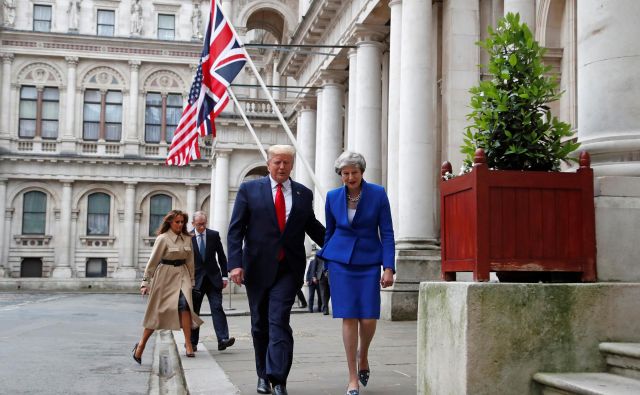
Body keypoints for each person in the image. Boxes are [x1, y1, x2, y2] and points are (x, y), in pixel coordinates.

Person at [227, 144, 325, 395]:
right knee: (260, 324)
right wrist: (235, 264)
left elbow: (313, 227)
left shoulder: (303, 194)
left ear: (292, 165)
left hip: (288, 269)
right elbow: (236, 229)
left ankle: (278, 378)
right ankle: (262, 376)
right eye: (277, 162)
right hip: (257, 269)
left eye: (286, 163)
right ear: (269, 163)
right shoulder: (250, 190)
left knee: (279, 320)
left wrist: (343, 246)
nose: (282, 167)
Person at [317, 151, 395, 395]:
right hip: (340, 262)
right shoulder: (331, 197)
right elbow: (329, 233)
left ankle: (364, 356)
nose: (350, 177)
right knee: (348, 317)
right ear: (340, 175)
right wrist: (327, 265)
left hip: (369, 260)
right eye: (345, 173)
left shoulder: (378, 194)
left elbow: (388, 232)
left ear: (362, 172)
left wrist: (389, 267)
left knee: (369, 318)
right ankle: (352, 378)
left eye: (354, 172)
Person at [132, 210, 203, 364]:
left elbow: (190, 261)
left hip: (182, 275)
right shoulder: (162, 239)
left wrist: (191, 280)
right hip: (164, 276)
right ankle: (141, 345)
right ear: (170, 222)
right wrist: (145, 283)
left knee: (185, 306)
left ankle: (188, 344)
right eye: (177, 222)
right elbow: (152, 262)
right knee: (157, 314)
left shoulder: (187, 239)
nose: (180, 224)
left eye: (182, 222)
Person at [189, 211, 235, 352]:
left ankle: (222, 339)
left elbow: (221, 256)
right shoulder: (187, 237)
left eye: (204, 224)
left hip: (214, 279)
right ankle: (192, 342)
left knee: (217, 308)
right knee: (194, 312)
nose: (202, 227)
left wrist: (224, 276)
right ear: (193, 224)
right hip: (196, 281)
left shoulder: (214, 235)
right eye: (199, 225)